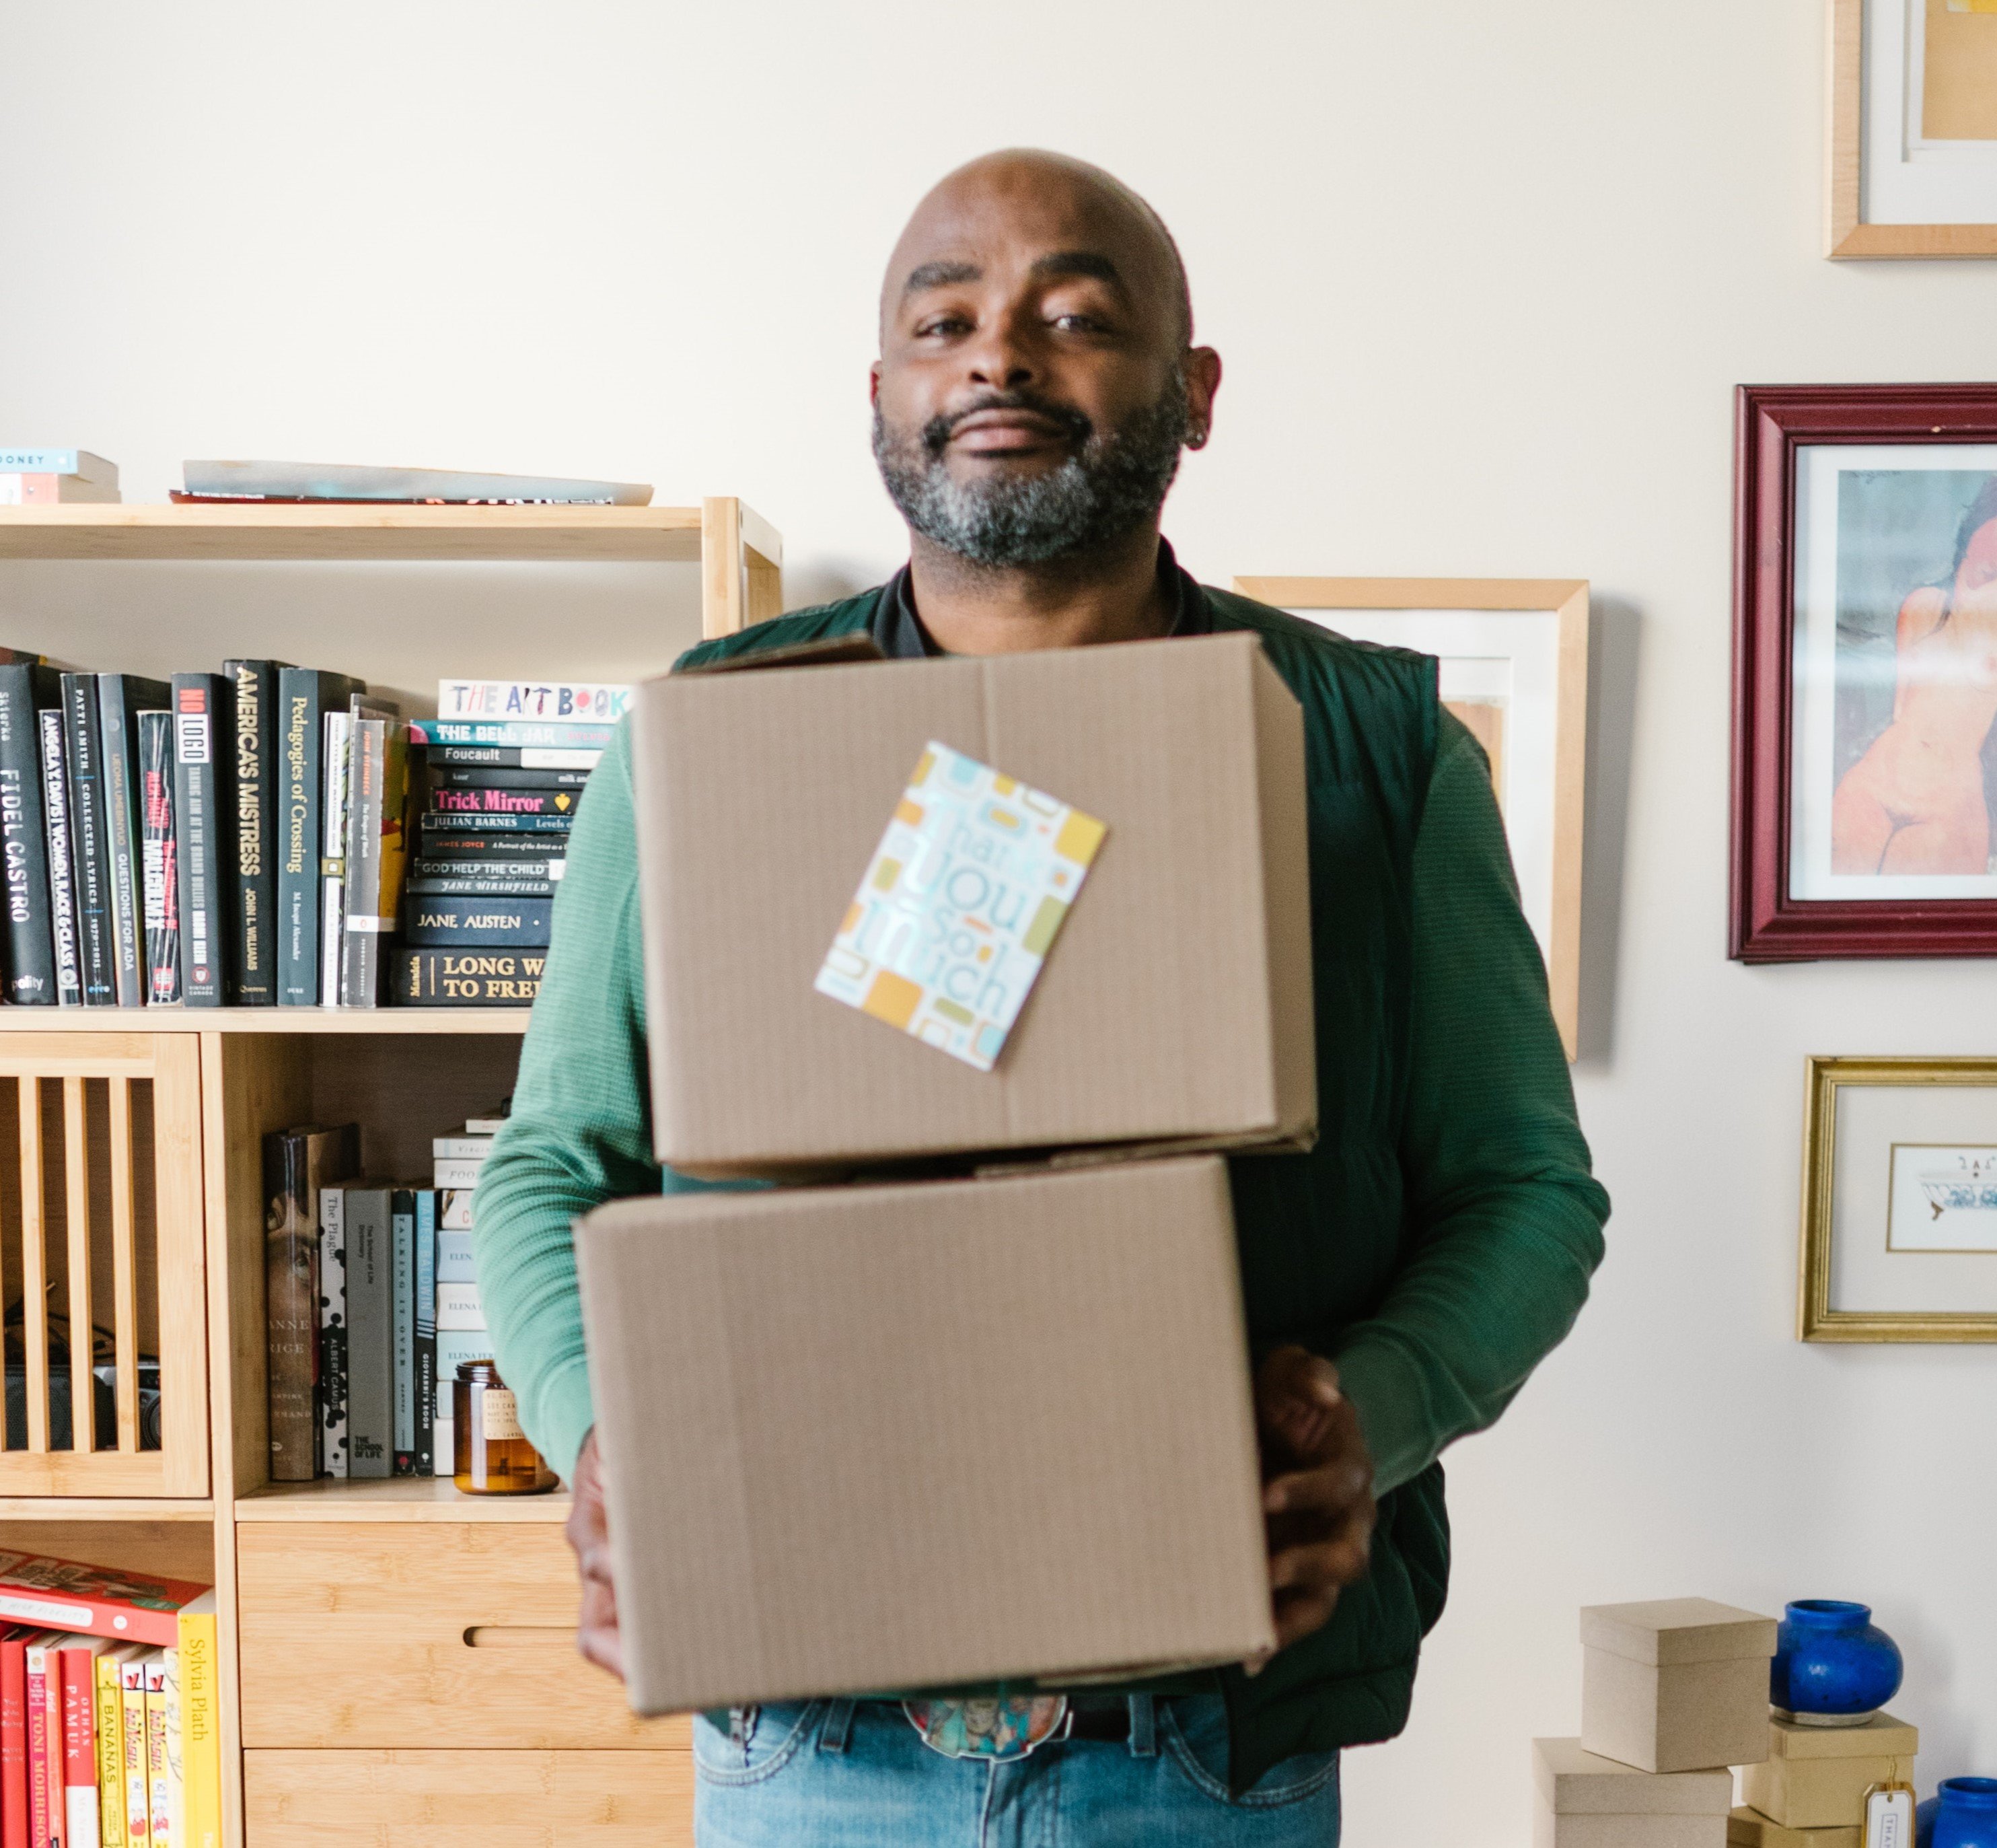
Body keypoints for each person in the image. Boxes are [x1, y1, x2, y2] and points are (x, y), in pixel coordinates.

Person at [474, 148, 1609, 1847]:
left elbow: (1528, 1194)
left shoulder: (1379, 759)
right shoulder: (709, 753)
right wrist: (597, 1443)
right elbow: (550, 1163)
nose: (1000, 356)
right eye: (947, 322)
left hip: (1204, 1749)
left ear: (1193, 393)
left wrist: (1361, 1420)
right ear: (883, 395)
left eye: (1075, 316)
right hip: (810, 1737)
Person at [1831, 476, 1997, 875]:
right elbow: (1901, 708)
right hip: (1877, 781)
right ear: (1976, 525)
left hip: (1946, 805)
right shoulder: (1922, 605)